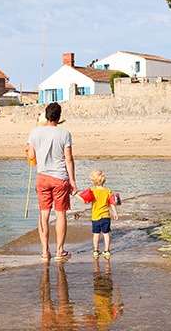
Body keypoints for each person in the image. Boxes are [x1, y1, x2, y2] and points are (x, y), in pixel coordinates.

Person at [26, 102, 76, 262]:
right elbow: (68, 160)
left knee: (44, 213)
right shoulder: (65, 134)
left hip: (43, 177)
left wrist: (28, 149)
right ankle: (59, 251)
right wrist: (73, 181)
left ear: (46, 116)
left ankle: (45, 252)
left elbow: (32, 156)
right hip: (60, 177)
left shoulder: (34, 132)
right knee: (60, 213)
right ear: (59, 117)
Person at [83, 169, 119, 258]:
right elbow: (112, 203)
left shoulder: (92, 191)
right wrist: (115, 213)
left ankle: (96, 250)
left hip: (96, 217)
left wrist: (75, 194)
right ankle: (107, 250)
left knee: (96, 234)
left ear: (93, 181)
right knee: (106, 234)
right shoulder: (108, 191)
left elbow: (85, 200)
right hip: (106, 216)